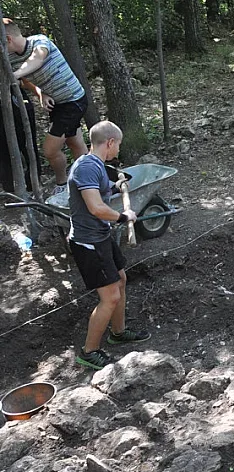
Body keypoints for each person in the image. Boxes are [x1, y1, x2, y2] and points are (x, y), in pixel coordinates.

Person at [67, 121, 149, 370]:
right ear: (110, 142)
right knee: (110, 296)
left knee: (121, 280)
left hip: (101, 235)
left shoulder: (97, 164)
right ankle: (89, 351)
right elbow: (95, 207)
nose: (118, 150)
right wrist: (124, 217)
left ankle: (118, 332)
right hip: (88, 242)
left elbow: (100, 192)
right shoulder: (86, 168)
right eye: (118, 144)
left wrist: (115, 186)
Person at [3, 19, 88, 197]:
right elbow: (25, 81)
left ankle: (63, 183)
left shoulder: (40, 41)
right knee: (75, 142)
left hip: (73, 100)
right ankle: (89, 180)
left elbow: (37, 60)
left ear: (8, 39)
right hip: (57, 105)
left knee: (50, 150)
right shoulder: (11, 58)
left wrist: (14, 74)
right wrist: (41, 94)